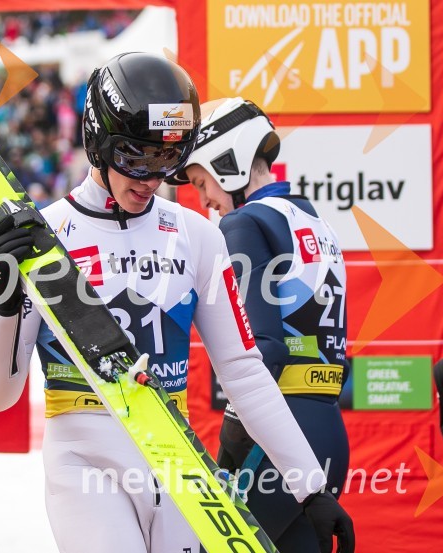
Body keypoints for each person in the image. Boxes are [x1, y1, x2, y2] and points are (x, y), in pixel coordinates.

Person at [0, 54, 354, 553]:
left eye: (168, 161)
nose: (151, 179)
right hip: (84, 462)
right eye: (136, 158)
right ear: (98, 142)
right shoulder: (46, 236)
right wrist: (2, 302)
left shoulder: (196, 235)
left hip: (178, 462)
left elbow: (244, 372)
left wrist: (310, 489)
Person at [171, 97, 351, 552]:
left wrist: (231, 436)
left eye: (200, 181)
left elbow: (264, 349)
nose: (205, 199)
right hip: (327, 426)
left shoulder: (243, 223)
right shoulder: (312, 219)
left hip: (279, 435)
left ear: (225, 161)